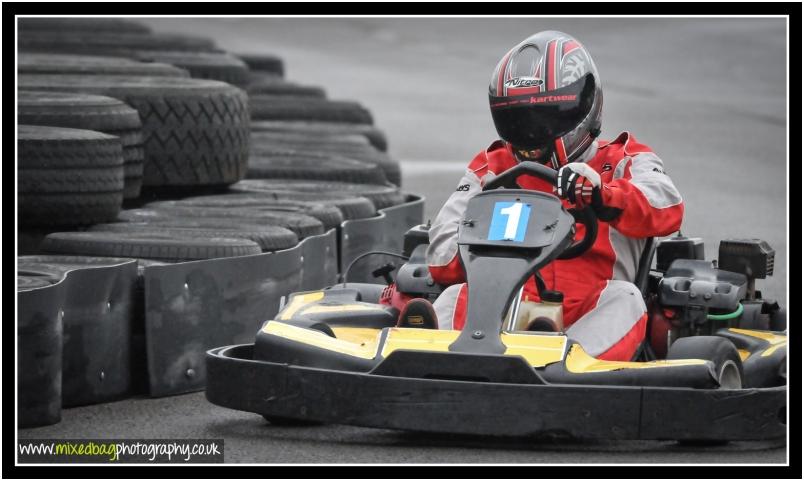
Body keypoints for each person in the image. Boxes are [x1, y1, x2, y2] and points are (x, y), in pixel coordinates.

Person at [402, 31, 684, 362]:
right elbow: (441, 260)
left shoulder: (623, 159)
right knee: (453, 295)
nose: (527, 137)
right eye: (517, 121)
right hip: (499, 308)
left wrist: (603, 196)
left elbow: (667, 206)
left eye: (539, 122)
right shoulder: (492, 168)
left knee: (628, 299)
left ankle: (557, 359)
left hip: (590, 307)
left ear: (580, 109)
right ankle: (428, 360)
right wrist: (476, 246)